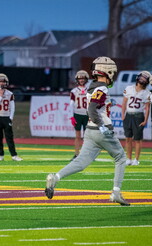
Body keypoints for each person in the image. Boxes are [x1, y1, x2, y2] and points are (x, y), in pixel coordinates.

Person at [45, 56, 129, 206]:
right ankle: (116, 192)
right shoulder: (102, 88)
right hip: (100, 130)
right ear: (107, 71)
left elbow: (93, 106)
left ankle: (55, 177)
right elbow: (92, 109)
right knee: (121, 158)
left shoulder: (92, 87)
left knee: (81, 162)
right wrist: (102, 126)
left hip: (90, 130)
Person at [0, 73, 23, 161]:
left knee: (9, 138)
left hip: (6, 117)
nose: (1, 83)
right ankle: (0, 155)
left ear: (6, 83)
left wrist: (10, 118)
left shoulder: (10, 93)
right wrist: (0, 96)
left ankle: (14, 155)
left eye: (3, 82)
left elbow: (12, 107)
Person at [121, 71, 151, 166]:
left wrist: (145, 120)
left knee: (137, 139)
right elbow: (124, 103)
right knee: (128, 138)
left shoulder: (147, 93)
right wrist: (123, 114)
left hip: (138, 116)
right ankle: (129, 159)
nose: (143, 80)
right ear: (138, 78)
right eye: (142, 78)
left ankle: (136, 159)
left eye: (145, 79)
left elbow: (147, 108)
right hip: (129, 115)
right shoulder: (129, 88)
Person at [69, 70, 90, 161]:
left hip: (87, 114)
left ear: (86, 79)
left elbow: (91, 103)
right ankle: (77, 154)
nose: (81, 80)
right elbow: (71, 104)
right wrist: (72, 116)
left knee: (87, 136)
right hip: (77, 114)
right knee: (77, 135)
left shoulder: (89, 90)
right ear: (77, 80)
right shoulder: (74, 91)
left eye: (83, 78)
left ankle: (85, 154)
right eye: (80, 78)